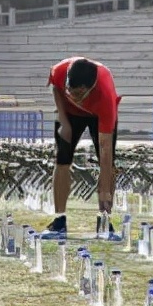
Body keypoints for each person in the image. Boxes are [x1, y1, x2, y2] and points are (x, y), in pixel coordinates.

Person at [39, 57, 121, 239]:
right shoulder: (60, 70)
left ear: (86, 89)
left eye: (75, 93)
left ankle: (105, 221)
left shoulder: (105, 93)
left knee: (107, 163)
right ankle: (59, 221)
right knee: (62, 159)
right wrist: (64, 120)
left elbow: (105, 148)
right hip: (69, 113)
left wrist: (105, 190)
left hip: (97, 114)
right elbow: (57, 89)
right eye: (69, 89)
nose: (70, 94)